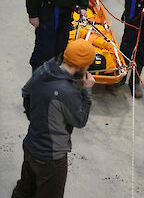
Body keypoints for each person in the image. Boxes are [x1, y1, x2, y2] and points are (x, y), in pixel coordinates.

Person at [11, 39, 96, 198]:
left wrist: (37, 120)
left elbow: (26, 93)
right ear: (82, 67)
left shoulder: (43, 70)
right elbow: (80, 121)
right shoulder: (67, 92)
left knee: (24, 191)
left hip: (31, 145)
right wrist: (86, 92)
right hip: (51, 157)